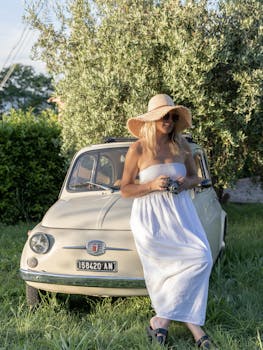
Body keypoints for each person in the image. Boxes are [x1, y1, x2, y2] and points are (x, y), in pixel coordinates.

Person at [121, 94, 215, 349]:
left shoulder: (183, 146)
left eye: (174, 116)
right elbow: (125, 189)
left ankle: (160, 320)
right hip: (149, 217)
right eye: (165, 116)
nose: (170, 120)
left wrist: (186, 182)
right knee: (163, 272)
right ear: (153, 119)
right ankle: (196, 329)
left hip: (180, 212)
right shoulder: (137, 149)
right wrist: (151, 184)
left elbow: (196, 178)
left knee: (201, 258)